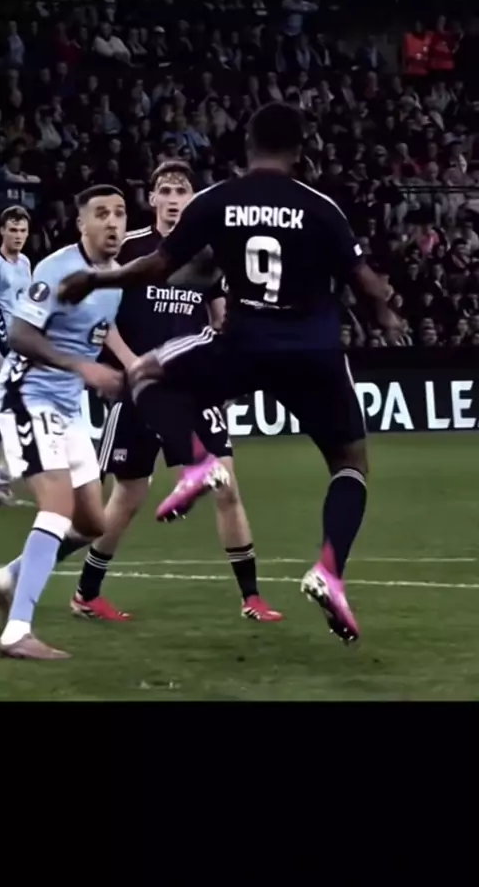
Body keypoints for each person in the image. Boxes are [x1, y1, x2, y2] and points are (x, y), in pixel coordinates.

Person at [58, 103, 400, 644]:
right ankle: (330, 570)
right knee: (349, 464)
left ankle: (196, 463)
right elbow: (365, 280)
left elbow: (158, 266)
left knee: (146, 372)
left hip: (243, 342)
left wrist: (96, 280)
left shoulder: (217, 199)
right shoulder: (320, 207)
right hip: (314, 352)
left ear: (247, 146)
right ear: (300, 151)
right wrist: (387, 315)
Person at [55, 160, 283, 623]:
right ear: (153, 198)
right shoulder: (131, 248)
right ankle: (72, 586)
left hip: (194, 388)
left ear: (192, 199)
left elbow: (221, 317)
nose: (174, 197)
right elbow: (102, 317)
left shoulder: (206, 252)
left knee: (226, 485)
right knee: (127, 496)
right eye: (166, 190)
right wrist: (132, 365)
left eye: (182, 190)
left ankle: (252, 597)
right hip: (138, 391)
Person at [0, 185, 126, 659]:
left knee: (92, 522)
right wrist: (80, 366)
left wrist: (129, 364)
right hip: (28, 398)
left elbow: (100, 328)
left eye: (119, 213)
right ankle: (16, 632)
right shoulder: (57, 269)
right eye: (101, 213)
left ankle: (8, 578)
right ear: (81, 224)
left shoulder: (114, 276)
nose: (112, 222)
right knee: (55, 509)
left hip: (69, 409)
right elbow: (20, 334)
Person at [0, 206, 32, 505]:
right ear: (2, 231)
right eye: (13, 230)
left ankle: (3, 481)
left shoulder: (25, 262)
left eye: (22, 230)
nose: (18, 236)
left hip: (18, 347)